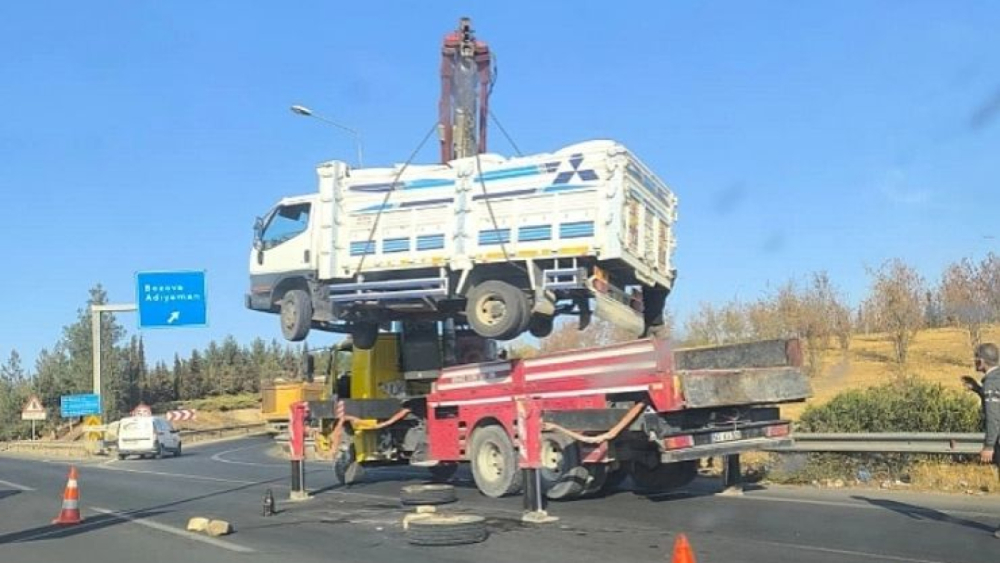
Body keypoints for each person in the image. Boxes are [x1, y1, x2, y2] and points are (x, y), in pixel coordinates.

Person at [963, 342, 1000, 538]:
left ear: (982, 360)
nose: (974, 361)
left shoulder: (992, 383)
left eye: (976, 357)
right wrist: (978, 389)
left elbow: (995, 417)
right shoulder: (994, 381)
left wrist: (988, 446)